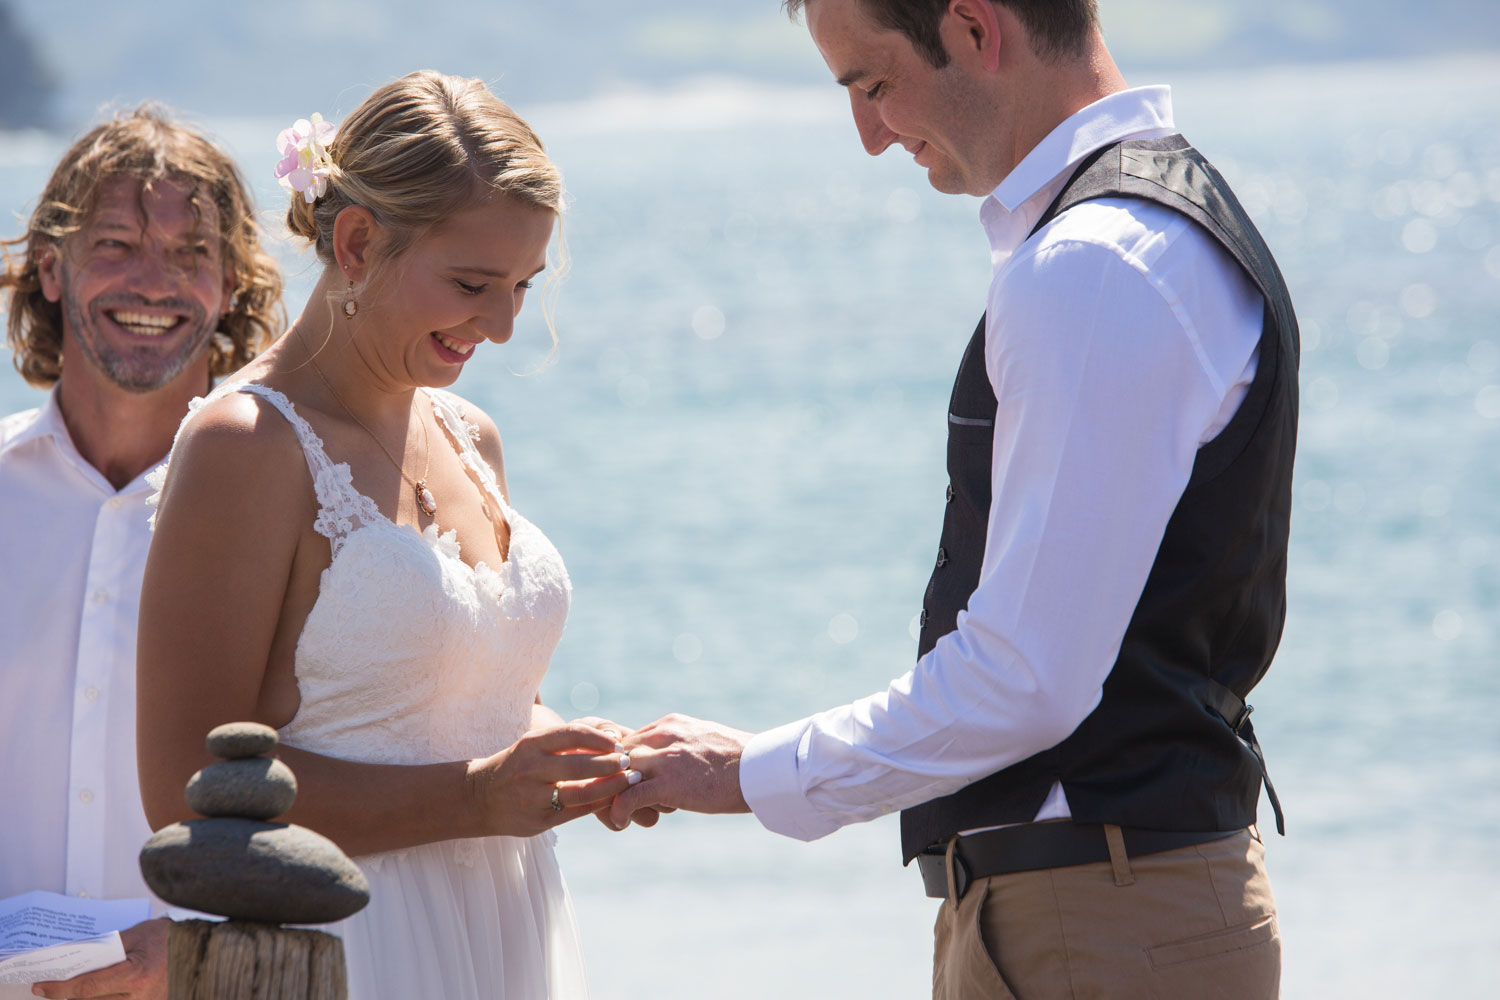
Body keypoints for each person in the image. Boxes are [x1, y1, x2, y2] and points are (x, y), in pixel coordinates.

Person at [609, 1, 1298, 997]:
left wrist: (750, 773)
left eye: (875, 83)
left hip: (1102, 916)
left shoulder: (1093, 266)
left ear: (976, 29)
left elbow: (1026, 677)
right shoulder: (1147, 227)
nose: (870, 137)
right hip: (1115, 902)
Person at [136, 71, 643, 1000]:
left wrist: (570, 752)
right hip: (350, 944)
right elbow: (181, 786)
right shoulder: (244, 448)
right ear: (359, 241)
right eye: (472, 283)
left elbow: (455, 702)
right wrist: (477, 797)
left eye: (524, 285)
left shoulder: (471, 436)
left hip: (508, 927)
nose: (503, 324)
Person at [0, 107, 283, 1000]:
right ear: (51, 266)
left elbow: (348, 764)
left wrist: (197, 942)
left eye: (193, 253)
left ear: (233, 284)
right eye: (116, 243)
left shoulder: (285, 517)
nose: (153, 284)